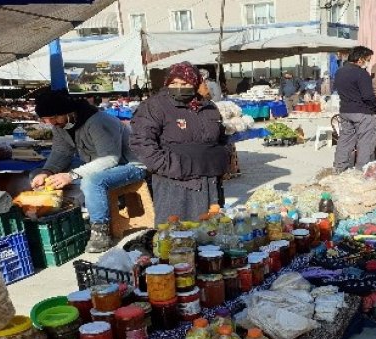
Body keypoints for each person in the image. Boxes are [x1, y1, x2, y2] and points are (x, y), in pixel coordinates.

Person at [31, 91, 146, 253]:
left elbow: (110, 159)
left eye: (54, 117)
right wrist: (47, 171)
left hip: (131, 166)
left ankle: (101, 232)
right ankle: (65, 220)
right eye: (46, 119)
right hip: (99, 166)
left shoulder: (99, 122)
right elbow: (61, 153)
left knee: (91, 181)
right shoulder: (61, 127)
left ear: (68, 112)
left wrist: (71, 175)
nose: (51, 123)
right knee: (37, 175)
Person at [130, 62, 229, 222]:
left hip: (210, 182)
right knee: (176, 235)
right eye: (173, 83)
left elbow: (222, 137)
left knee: (210, 232)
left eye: (184, 84)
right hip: (175, 184)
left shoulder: (208, 107)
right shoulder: (154, 106)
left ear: (195, 83)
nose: (179, 87)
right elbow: (141, 142)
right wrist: (171, 166)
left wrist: (222, 158)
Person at [333, 46, 376, 172]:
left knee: (345, 140)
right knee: (365, 142)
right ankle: (362, 169)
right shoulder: (361, 73)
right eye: (368, 59)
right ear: (360, 59)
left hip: (345, 111)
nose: (368, 62)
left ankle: (339, 166)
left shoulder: (340, 72)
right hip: (362, 112)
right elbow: (368, 96)